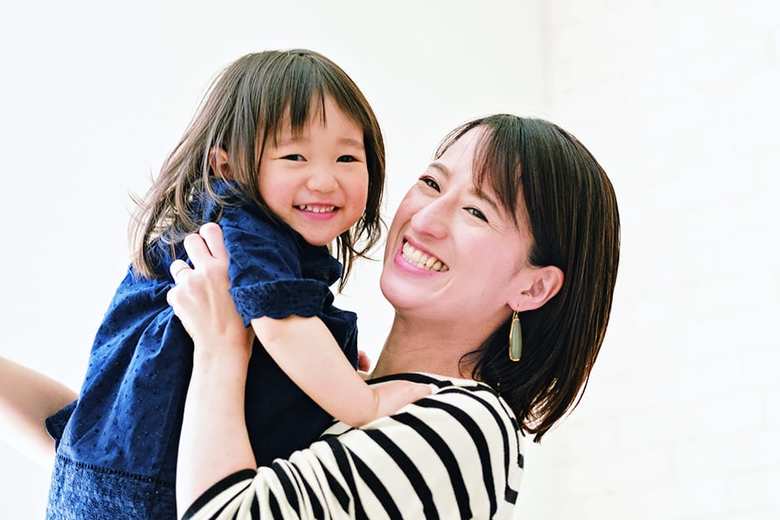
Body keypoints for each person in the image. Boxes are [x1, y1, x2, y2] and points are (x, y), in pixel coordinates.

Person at [36, 49, 432, 519]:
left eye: (347, 157)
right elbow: (280, 322)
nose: (325, 180)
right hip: (148, 491)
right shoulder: (243, 226)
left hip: (104, 472)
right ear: (227, 167)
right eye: (294, 156)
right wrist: (365, 402)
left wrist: (331, 367)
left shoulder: (247, 236)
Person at [163, 114, 621, 518]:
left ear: (532, 287)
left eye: (476, 212)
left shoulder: (466, 424)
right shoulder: (344, 389)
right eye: (432, 184)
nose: (424, 220)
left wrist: (221, 349)